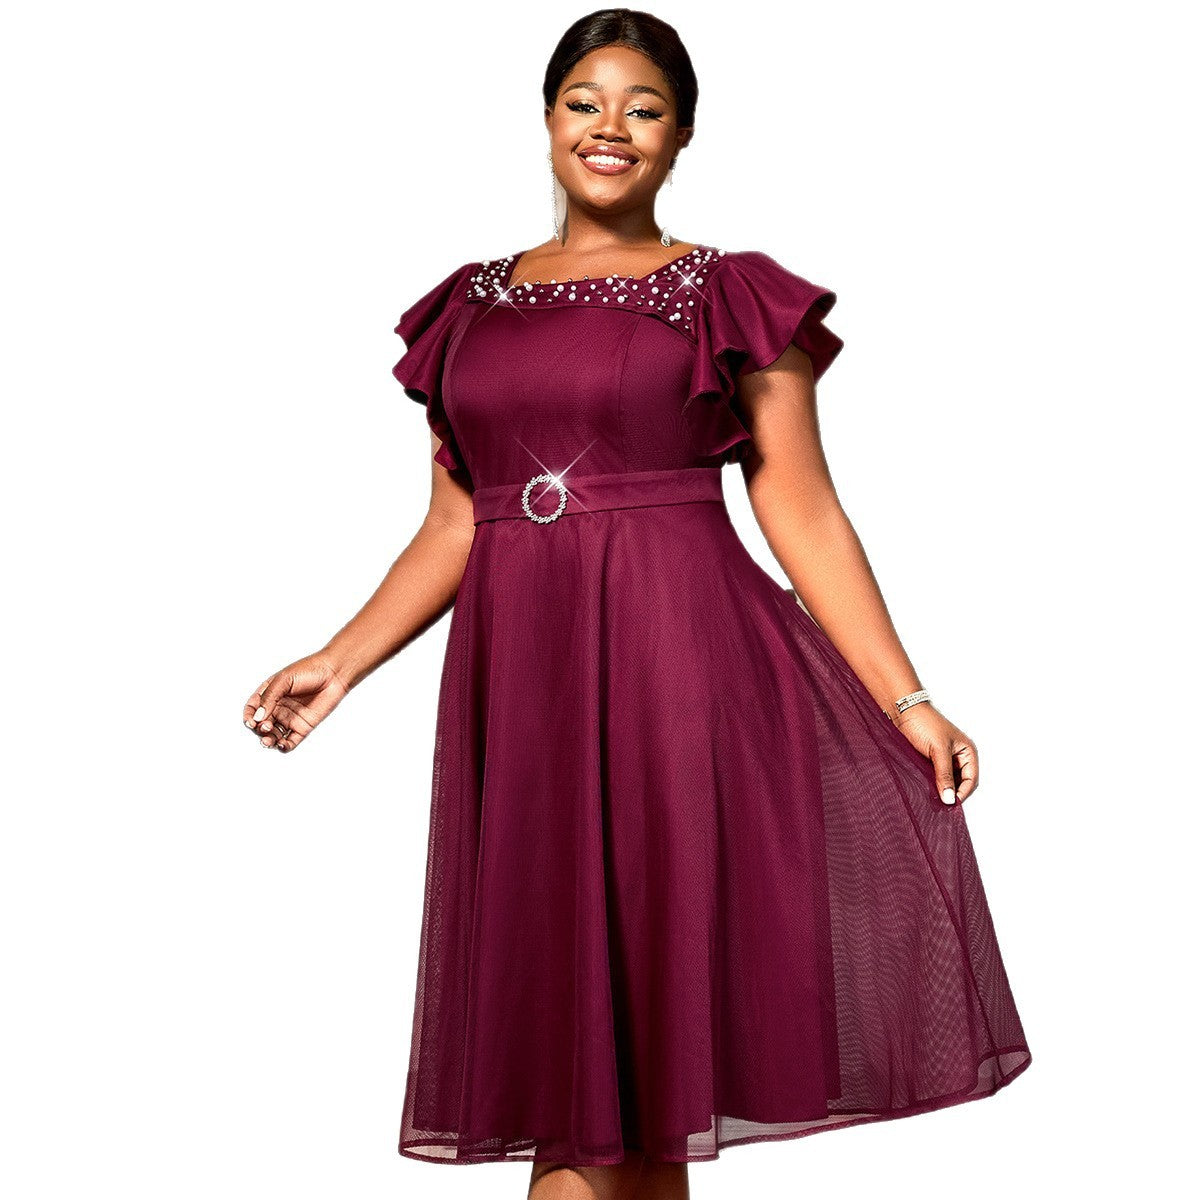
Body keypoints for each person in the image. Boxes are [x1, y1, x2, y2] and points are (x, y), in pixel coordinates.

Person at [243, 8, 1032, 1198]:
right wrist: (339, 660)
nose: (609, 127)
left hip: (677, 676)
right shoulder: (468, 306)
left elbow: (804, 508)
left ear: (682, 136)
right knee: (618, 1108)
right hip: (526, 694)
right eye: (584, 102)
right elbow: (457, 522)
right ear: (546, 118)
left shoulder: (730, 294)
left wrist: (907, 699)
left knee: (610, 1089)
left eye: (644, 108)